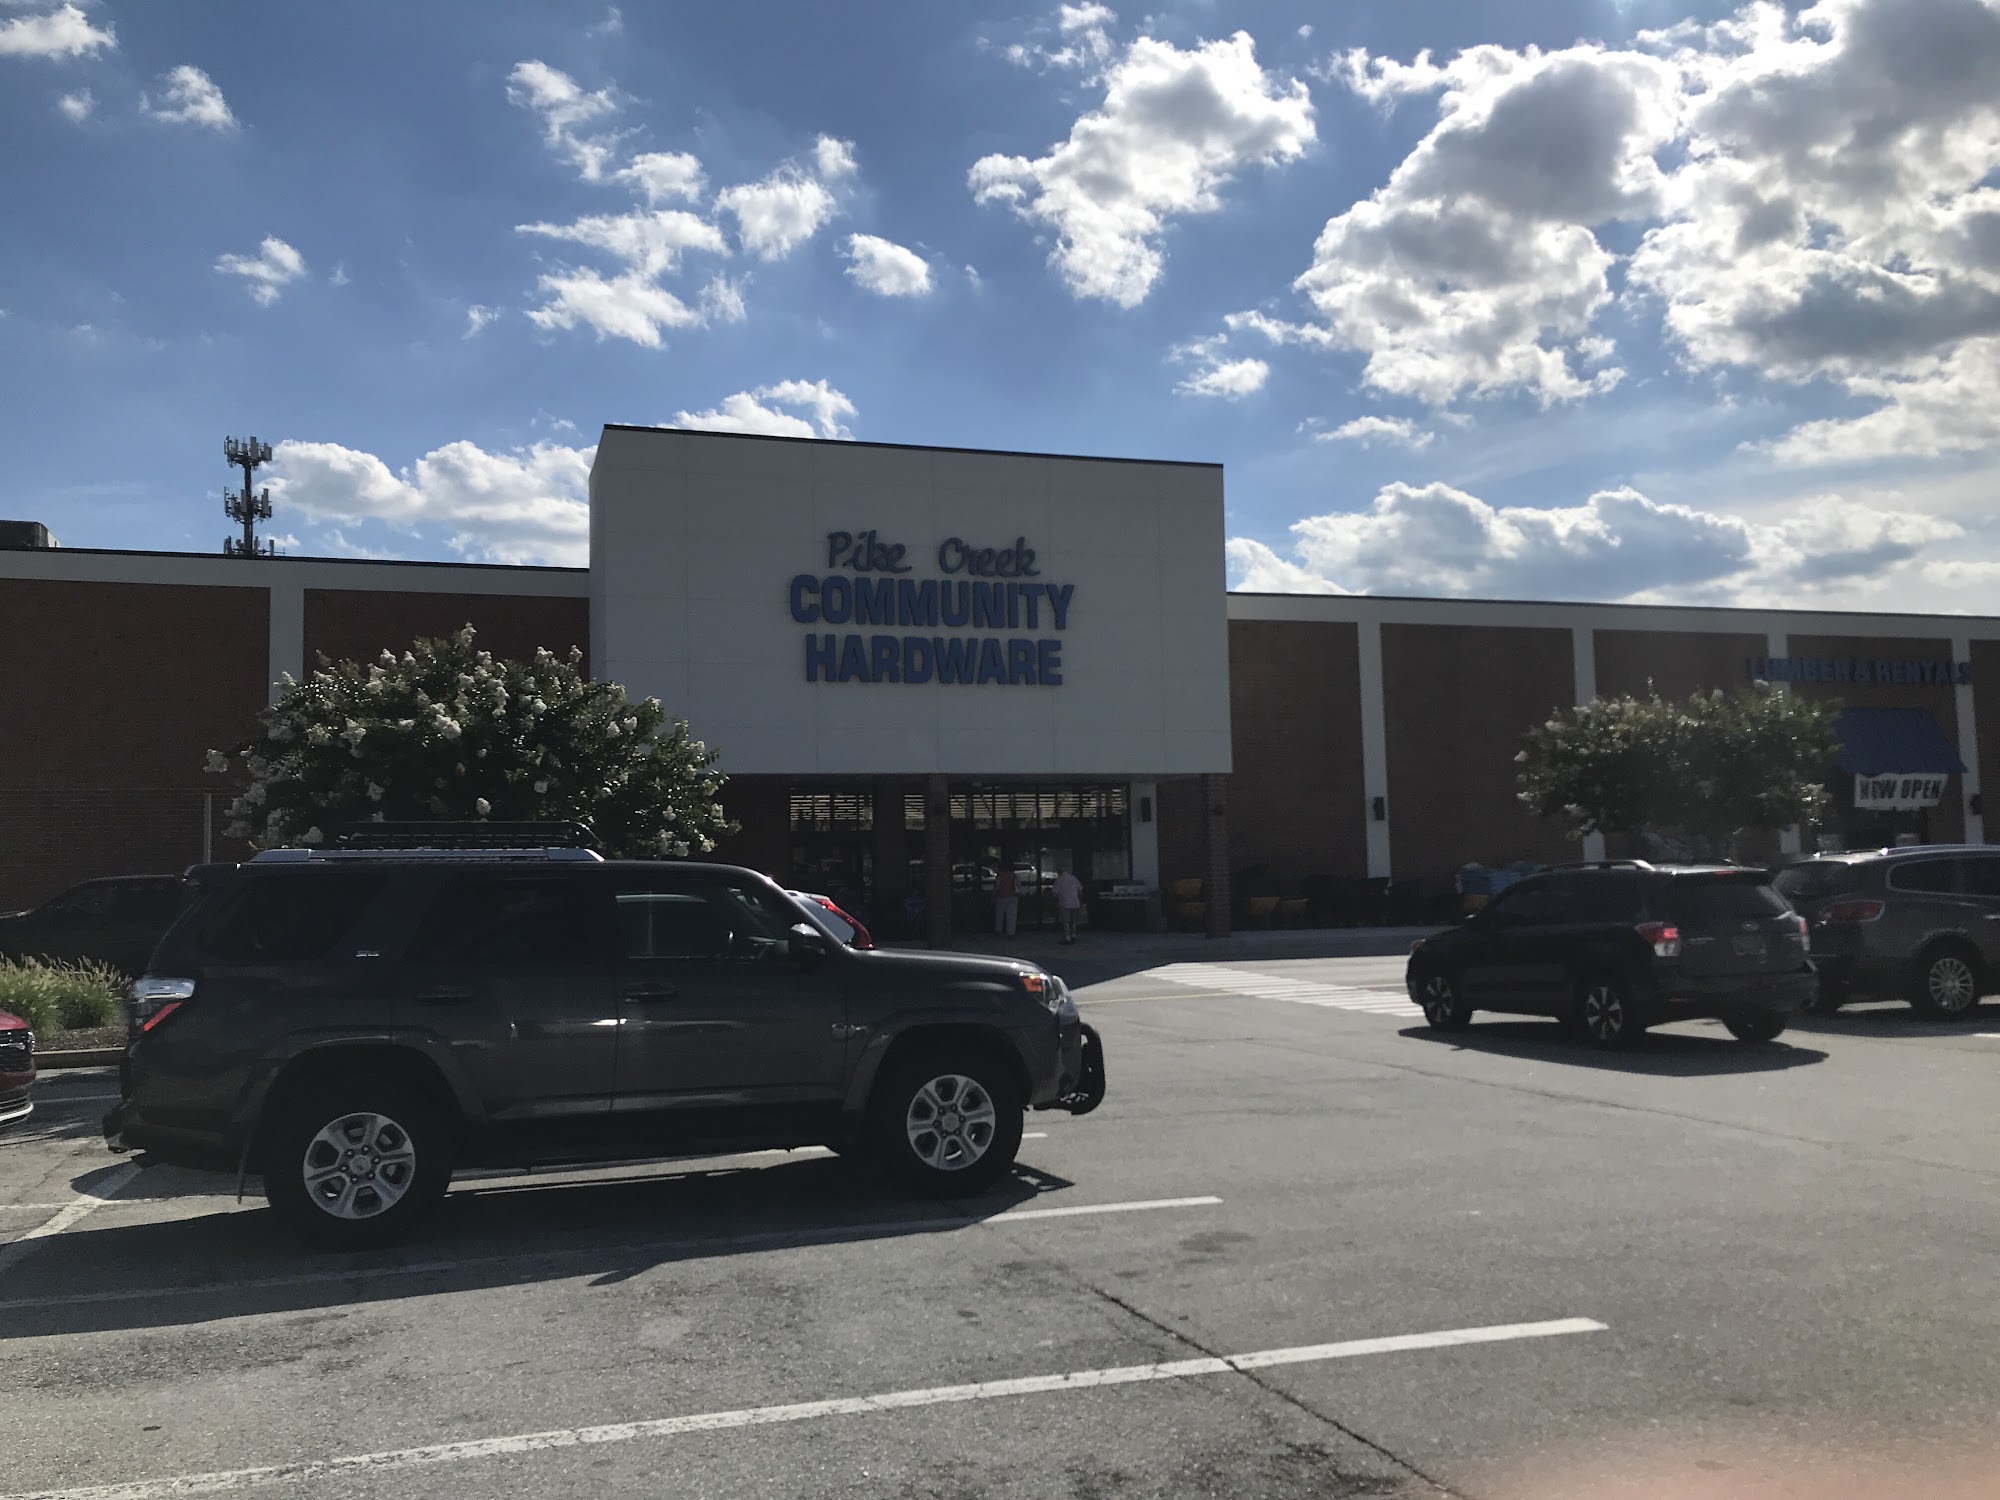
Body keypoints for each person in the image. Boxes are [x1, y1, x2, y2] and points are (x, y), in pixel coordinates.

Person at [1053, 867, 1083, 944]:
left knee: (1066, 921)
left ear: (1059, 872)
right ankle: (1073, 935)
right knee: (1074, 921)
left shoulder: (1059, 880)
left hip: (1064, 903)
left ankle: (1067, 937)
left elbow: (1055, 893)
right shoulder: (1073, 878)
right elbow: (1080, 889)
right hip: (1075, 902)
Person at [993, 861, 1018, 937]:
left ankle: (998, 930)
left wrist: (993, 895)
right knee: (1011, 916)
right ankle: (1011, 933)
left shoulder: (1000, 876)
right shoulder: (1013, 875)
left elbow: (997, 887)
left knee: (999, 915)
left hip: (1001, 897)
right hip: (1012, 897)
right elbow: (1017, 886)